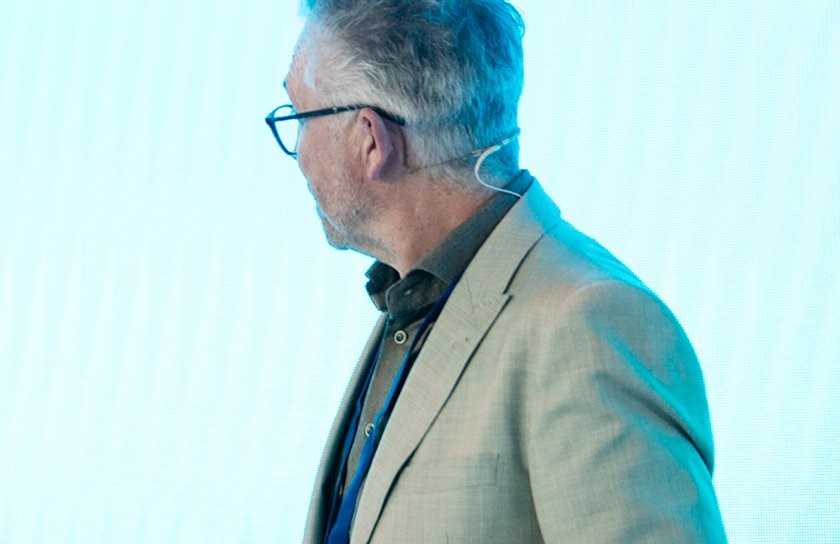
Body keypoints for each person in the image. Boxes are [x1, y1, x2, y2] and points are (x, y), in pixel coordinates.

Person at [265, 1, 725, 542]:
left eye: (298, 117)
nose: (297, 152)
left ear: (371, 139)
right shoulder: (414, 299)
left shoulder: (587, 326)